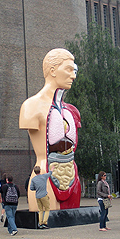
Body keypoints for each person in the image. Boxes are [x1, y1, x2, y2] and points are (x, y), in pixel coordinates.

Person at [20, 48, 81, 212]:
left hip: (72, 175)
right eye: (68, 70)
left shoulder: (71, 111)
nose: (73, 76)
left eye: (74, 71)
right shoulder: (31, 107)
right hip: (45, 175)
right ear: (52, 71)